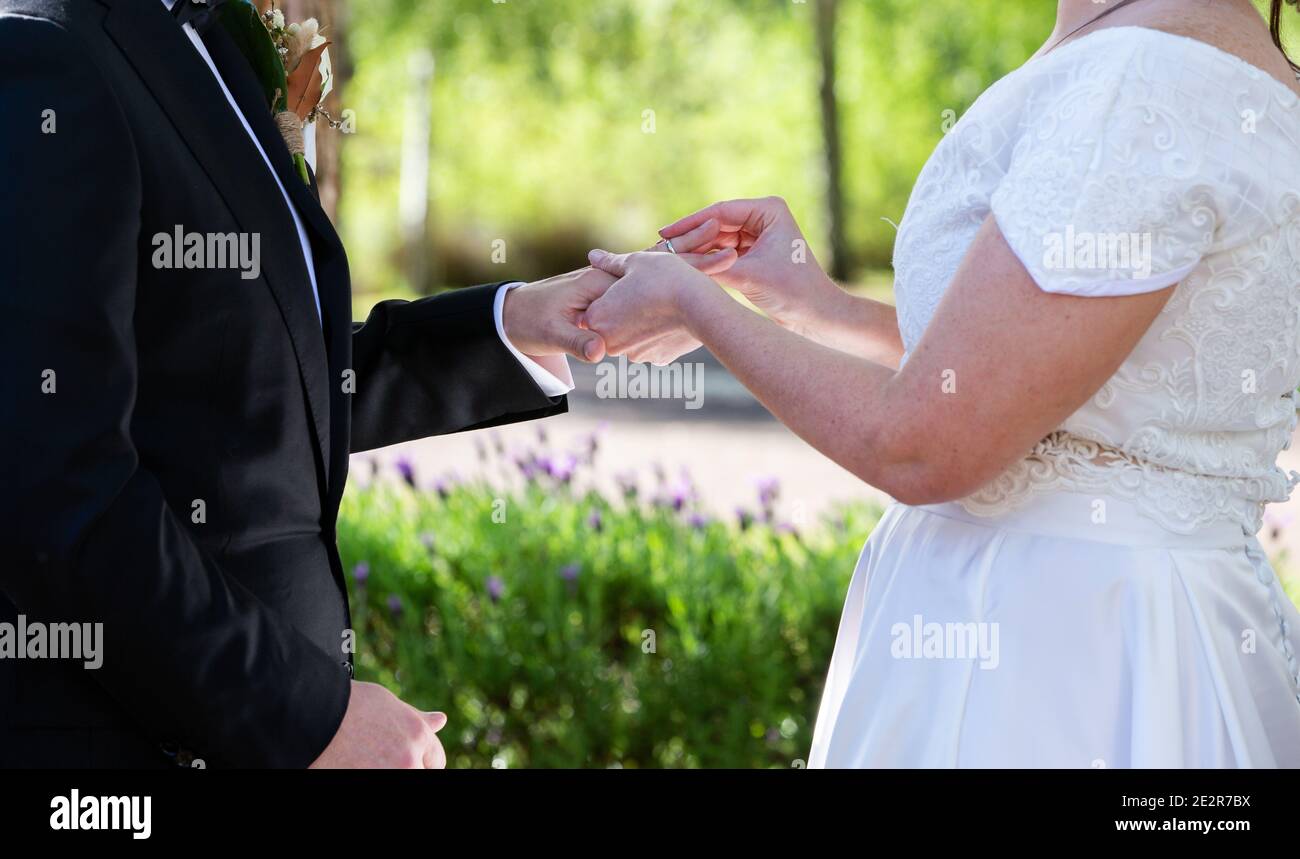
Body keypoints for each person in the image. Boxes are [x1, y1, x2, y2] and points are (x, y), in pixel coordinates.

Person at [588, 0, 1300, 766]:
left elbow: (925, 445)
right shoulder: (1233, 65)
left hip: (1049, 654)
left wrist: (692, 303)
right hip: (1158, 625)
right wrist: (818, 307)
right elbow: (1059, 370)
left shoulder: (1141, 79)